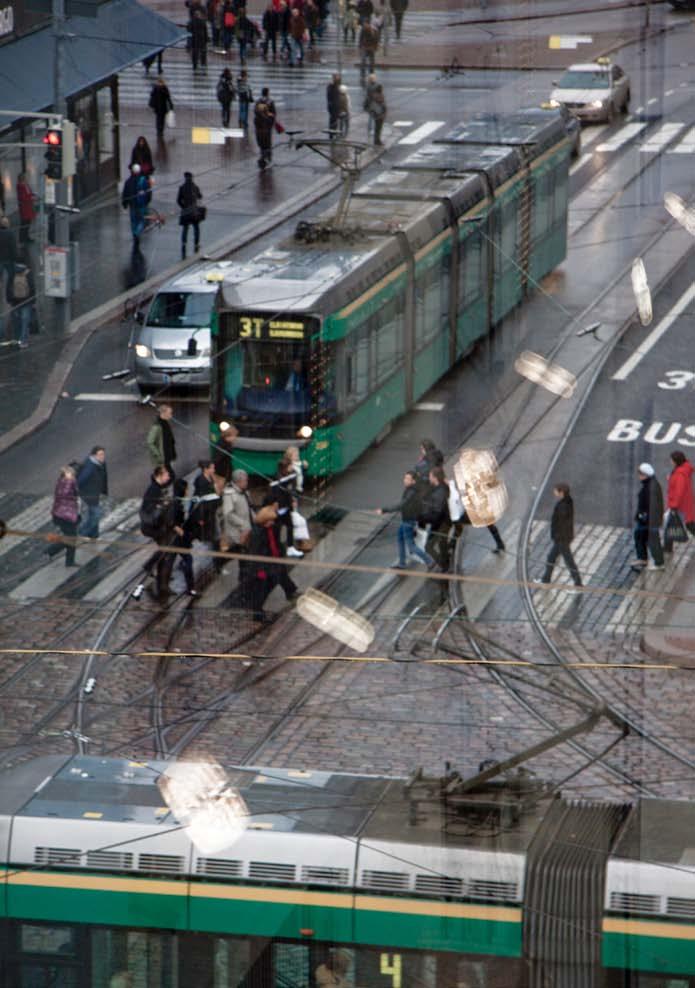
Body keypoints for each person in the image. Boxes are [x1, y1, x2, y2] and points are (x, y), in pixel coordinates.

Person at [233, 504, 299, 622]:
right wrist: (260, 571)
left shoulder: (269, 528)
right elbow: (256, 555)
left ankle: (290, 591)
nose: (273, 523)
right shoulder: (257, 534)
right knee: (262, 590)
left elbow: (277, 526)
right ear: (264, 521)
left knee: (281, 574)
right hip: (262, 566)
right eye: (270, 521)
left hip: (272, 560)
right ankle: (257, 613)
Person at [377, 470, 437, 570]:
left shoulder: (411, 492)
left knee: (411, 545)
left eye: (407, 479)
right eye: (405, 478)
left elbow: (401, 504)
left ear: (413, 481)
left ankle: (429, 561)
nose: (404, 480)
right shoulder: (412, 489)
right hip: (407, 519)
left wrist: (384, 510)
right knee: (400, 538)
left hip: (409, 521)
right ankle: (402, 563)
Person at [140, 465, 177, 604]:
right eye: (166, 475)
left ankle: (161, 579)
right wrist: (163, 505)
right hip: (155, 528)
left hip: (158, 528)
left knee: (165, 552)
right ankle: (160, 581)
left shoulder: (157, 488)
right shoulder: (153, 490)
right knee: (166, 552)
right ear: (159, 475)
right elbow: (151, 511)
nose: (168, 477)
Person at [539, 483, 582, 586]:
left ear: (561, 492)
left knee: (568, 560)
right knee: (551, 557)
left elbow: (562, 523)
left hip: (562, 538)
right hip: (563, 537)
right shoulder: (567, 501)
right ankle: (546, 579)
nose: (554, 492)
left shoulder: (563, 506)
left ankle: (578, 582)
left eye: (556, 491)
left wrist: (557, 536)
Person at [631, 462, 665, 571]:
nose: (639, 476)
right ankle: (642, 559)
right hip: (648, 519)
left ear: (645, 475)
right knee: (640, 537)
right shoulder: (651, 484)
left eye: (640, 474)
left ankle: (658, 563)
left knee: (651, 540)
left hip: (649, 520)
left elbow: (651, 506)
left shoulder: (650, 488)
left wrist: (643, 517)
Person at [418, 466, 451, 571]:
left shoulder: (440, 492)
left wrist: (422, 518)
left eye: (430, 476)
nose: (429, 478)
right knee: (442, 544)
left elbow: (437, 513)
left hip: (441, 524)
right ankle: (446, 564)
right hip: (442, 522)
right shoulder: (439, 488)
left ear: (435, 478)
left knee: (429, 546)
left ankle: (444, 567)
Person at [47, 466, 80, 567]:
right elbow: (74, 493)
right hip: (67, 517)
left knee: (71, 537)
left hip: (59, 515)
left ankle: (69, 561)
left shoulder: (60, 481)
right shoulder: (70, 482)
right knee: (71, 538)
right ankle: (50, 551)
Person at [664, 450, 695, 552]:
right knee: (673, 524)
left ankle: (667, 548)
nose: (670, 462)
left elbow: (679, 491)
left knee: (687, 524)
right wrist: (671, 478)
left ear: (676, 461)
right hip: (686, 503)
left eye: (671, 460)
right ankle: (667, 547)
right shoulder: (683, 469)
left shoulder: (680, 474)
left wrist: (674, 505)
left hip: (680, 505)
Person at [173, 477, 197, 596]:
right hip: (179, 538)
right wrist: (179, 530)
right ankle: (190, 588)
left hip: (181, 538)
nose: (188, 490)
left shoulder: (180, 501)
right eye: (187, 488)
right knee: (188, 560)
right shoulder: (177, 504)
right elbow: (173, 521)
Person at [77, 446, 108, 539]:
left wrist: (104, 491)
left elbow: (104, 478)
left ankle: (94, 535)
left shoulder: (101, 464)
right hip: (89, 495)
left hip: (95, 493)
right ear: (94, 456)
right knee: (96, 514)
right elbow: (80, 481)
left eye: (103, 454)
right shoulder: (90, 467)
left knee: (93, 514)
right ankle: (82, 533)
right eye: (100, 454)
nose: (103, 456)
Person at [189, 460, 220, 548]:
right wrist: (200, 518)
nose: (214, 470)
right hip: (204, 513)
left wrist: (214, 482)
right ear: (206, 469)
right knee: (207, 534)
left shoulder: (210, 478)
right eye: (212, 468)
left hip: (211, 510)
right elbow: (200, 500)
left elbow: (217, 493)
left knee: (212, 531)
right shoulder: (201, 481)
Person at [121, 163, 151, 248]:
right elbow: (148, 192)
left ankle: (135, 234)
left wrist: (125, 203)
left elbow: (125, 194)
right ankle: (137, 233)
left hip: (132, 205)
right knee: (142, 220)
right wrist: (147, 201)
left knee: (133, 221)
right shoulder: (143, 180)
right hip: (141, 205)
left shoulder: (128, 181)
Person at [6, 258, 34, 349]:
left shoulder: (12, 272)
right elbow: (32, 287)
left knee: (16, 321)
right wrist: (33, 301)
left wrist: (9, 300)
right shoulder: (28, 272)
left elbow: (8, 286)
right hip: (26, 301)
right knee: (25, 321)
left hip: (14, 301)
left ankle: (16, 339)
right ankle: (23, 341)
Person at [177, 171, 204, 260]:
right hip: (194, 211)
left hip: (185, 211)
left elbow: (178, 200)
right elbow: (200, 196)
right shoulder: (195, 187)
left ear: (185, 178)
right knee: (196, 227)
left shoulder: (182, 188)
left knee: (185, 228)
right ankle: (196, 243)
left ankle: (184, 243)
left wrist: (183, 206)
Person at [146, 403, 177, 476]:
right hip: (163, 458)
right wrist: (158, 455)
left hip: (167, 456)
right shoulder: (156, 427)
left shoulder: (165, 422)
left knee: (167, 475)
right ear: (163, 413)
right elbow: (150, 442)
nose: (171, 415)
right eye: (170, 413)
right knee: (169, 476)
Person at [254, 87, 276, 169]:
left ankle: (263, 158)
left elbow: (256, 112)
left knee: (261, 144)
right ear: (268, 93)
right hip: (266, 127)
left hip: (259, 126)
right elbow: (273, 114)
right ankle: (267, 159)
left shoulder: (258, 102)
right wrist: (271, 123)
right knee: (267, 144)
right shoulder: (270, 102)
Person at [213, 424, 238, 492]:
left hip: (225, 472)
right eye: (234, 436)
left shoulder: (228, 444)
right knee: (219, 490)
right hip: (220, 473)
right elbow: (217, 459)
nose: (235, 438)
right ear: (229, 435)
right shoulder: (221, 444)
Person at [16, 172, 37, 245]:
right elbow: (22, 197)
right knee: (24, 223)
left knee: (28, 223)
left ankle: (26, 237)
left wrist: (33, 195)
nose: (27, 179)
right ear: (23, 179)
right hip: (25, 207)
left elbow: (29, 194)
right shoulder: (20, 186)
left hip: (29, 206)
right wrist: (31, 197)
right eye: (26, 177)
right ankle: (21, 238)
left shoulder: (26, 185)